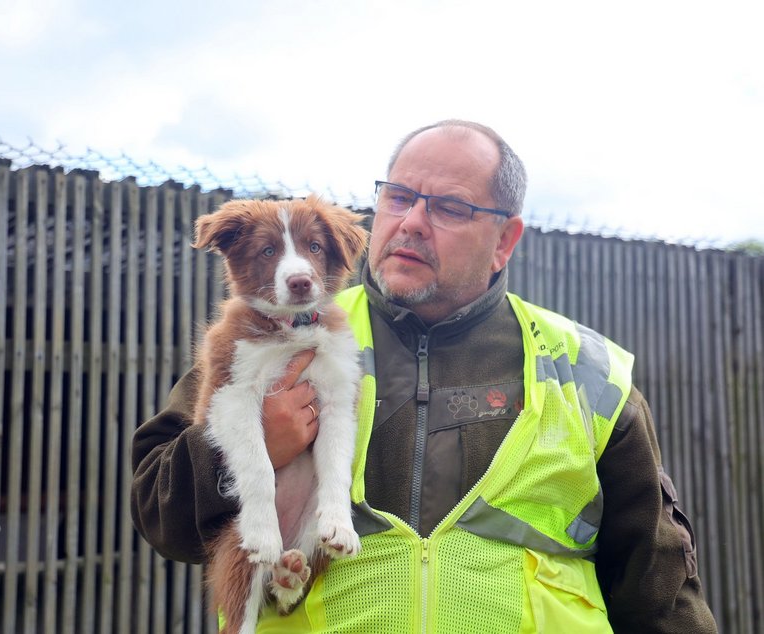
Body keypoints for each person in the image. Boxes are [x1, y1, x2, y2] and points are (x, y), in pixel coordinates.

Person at [131, 119, 717, 632]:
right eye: (399, 196)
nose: (411, 222)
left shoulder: (582, 369)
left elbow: (657, 583)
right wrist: (240, 450)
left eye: (449, 207)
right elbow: (160, 514)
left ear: (504, 241)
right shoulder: (276, 334)